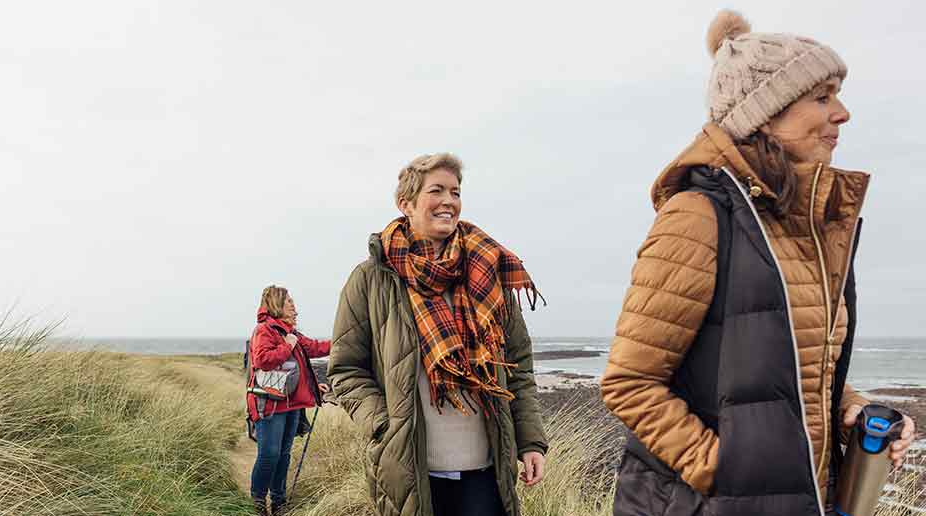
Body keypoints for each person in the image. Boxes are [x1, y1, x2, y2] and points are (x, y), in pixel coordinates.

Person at [600, 10, 916, 516]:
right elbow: (629, 382)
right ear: (765, 114)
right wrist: (722, 469)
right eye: (823, 96)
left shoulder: (802, 226)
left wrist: (848, 408)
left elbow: (792, 367)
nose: (843, 113)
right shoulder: (696, 215)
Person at [328, 153, 547, 516]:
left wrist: (530, 441)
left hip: (486, 470)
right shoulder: (371, 279)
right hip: (410, 469)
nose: (449, 201)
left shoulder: (487, 269)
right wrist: (386, 425)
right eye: (437, 190)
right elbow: (346, 370)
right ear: (406, 204)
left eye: (456, 192)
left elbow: (519, 366)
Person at [246, 285, 331, 516]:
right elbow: (263, 361)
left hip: (292, 404)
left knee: (283, 454)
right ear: (277, 304)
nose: (294, 305)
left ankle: (279, 502)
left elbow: (314, 348)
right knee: (269, 454)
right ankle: (256, 504)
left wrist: (344, 341)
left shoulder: (289, 331)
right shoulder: (265, 330)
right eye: (289, 301)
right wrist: (288, 345)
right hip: (271, 404)